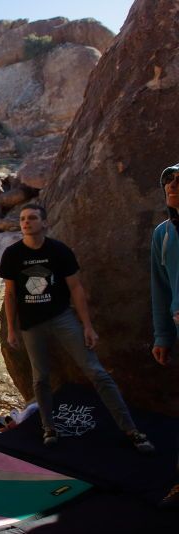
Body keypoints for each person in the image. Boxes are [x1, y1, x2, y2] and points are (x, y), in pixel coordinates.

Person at [0, 204, 154, 452]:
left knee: (96, 371)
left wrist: (87, 326)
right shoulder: (13, 254)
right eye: (23, 219)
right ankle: (49, 428)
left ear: (45, 223)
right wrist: (11, 329)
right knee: (41, 378)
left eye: (32, 218)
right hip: (31, 324)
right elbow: (10, 293)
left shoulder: (59, 251)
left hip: (62, 317)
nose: (26, 222)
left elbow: (76, 289)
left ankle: (131, 429)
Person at [150, 163, 179, 508]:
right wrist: (162, 335)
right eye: (167, 180)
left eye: (178, 180)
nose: (171, 185)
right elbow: (159, 288)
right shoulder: (163, 234)